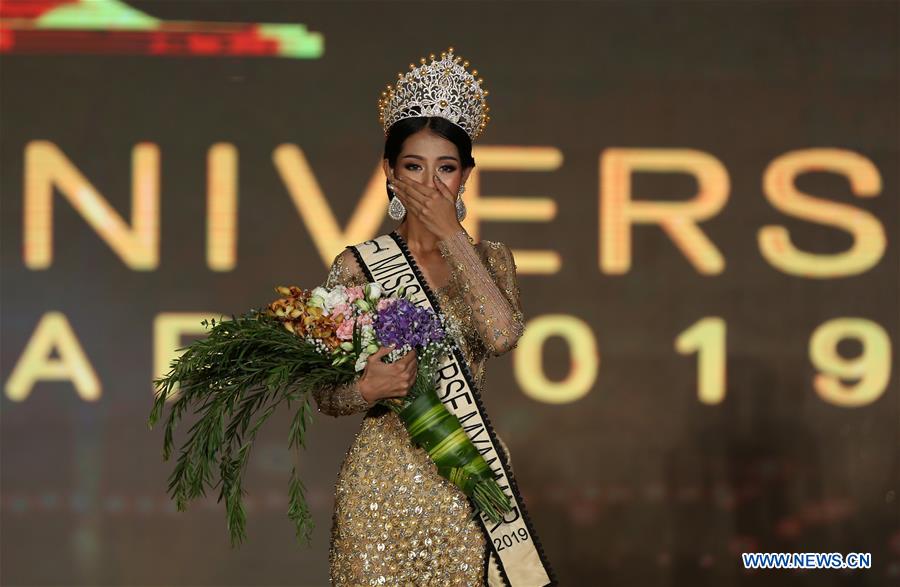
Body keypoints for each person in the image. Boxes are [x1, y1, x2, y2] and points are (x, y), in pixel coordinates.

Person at [313, 47, 526, 586]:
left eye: (445, 168)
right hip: (376, 487)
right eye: (413, 167)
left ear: (465, 175)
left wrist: (453, 237)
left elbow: (502, 335)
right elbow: (324, 392)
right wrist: (366, 389)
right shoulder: (357, 266)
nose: (430, 185)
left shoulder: (492, 260)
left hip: (466, 481)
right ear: (389, 172)